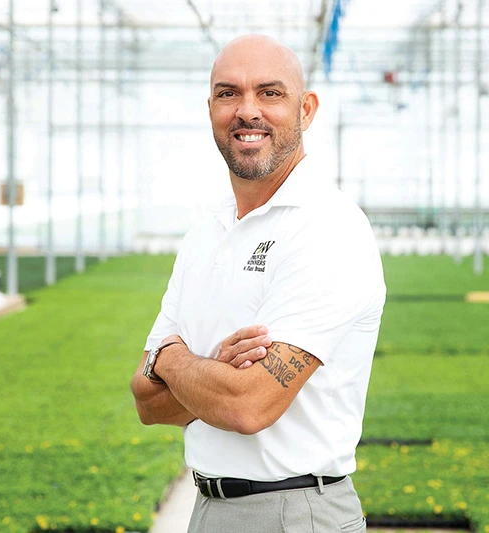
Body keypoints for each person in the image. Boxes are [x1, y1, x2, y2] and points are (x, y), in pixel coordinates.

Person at [130, 34, 386, 533]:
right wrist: (210, 375)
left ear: (306, 109)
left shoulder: (328, 227)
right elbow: (146, 401)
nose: (247, 111)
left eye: (270, 93)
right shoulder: (205, 234)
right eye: (228, 94)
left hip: (296, 512)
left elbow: (248, 404)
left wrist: (173, 359)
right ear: (210, 109)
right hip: (207, 510)